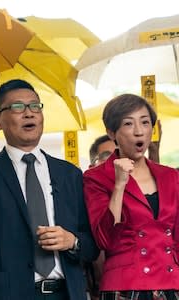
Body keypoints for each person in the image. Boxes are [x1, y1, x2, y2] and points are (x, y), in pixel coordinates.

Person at [0, 79, 98, 299]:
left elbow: (91, 244)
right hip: (11, 293)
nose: (29, 113)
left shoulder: (69, 174)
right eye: (17, 107)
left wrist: (72, 241)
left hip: (66, 292)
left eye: (35, 106)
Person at [83, 94, 179, 299]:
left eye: (145, 122)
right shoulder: (96, 178)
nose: (139, 131)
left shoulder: (171, 176)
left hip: (171, 283)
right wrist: (119, 185)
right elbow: (104, 239)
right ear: (112, 133)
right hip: (125, 288)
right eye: (128, 123)